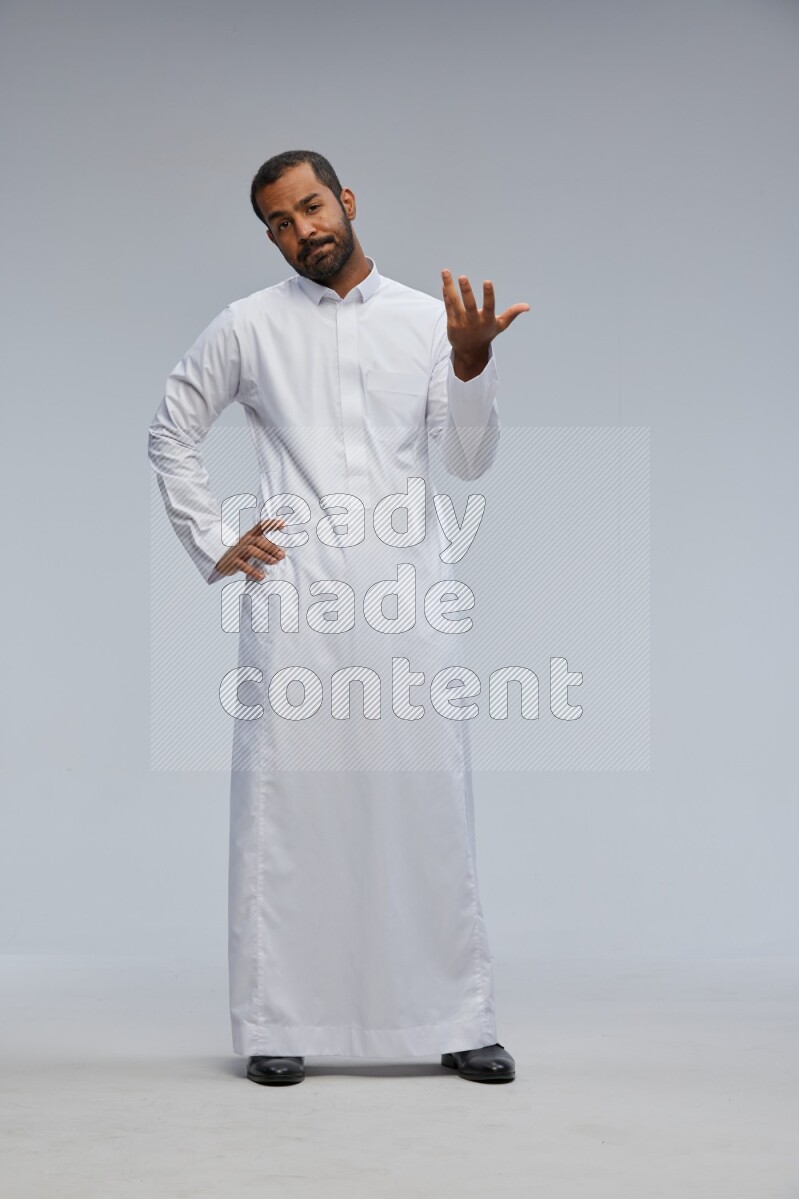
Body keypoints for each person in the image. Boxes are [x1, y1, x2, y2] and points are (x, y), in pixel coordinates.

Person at [147, 150, 529, 1086]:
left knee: (426, 802)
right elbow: (172, 430)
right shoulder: (250, 326)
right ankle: (280, 1018)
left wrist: (471, 366)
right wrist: (216, 539)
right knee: (291, 808)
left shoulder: (422, 322)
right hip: (300, 601)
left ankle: (458, 1015)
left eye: (311, 206)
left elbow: (468, 462)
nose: (301, 230)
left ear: (347, 202)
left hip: (407, 594)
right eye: (279, 221)